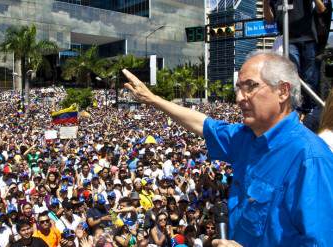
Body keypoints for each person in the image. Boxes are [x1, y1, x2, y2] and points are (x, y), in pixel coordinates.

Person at [122, 51, 333, 246]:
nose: (240, 98)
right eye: (239, 88)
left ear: (282, 91)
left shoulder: (310, 159)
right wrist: (153, 99)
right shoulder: (244, 138)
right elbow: (202, 124)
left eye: (250, 86)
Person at [264, 0, 327, 111]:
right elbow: (269, 20)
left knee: (309, 77)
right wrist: (265, 2)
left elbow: (321, 8)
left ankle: (309, 108)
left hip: (308, 39)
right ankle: (296, 107)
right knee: (293, 76)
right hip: (289, 41)